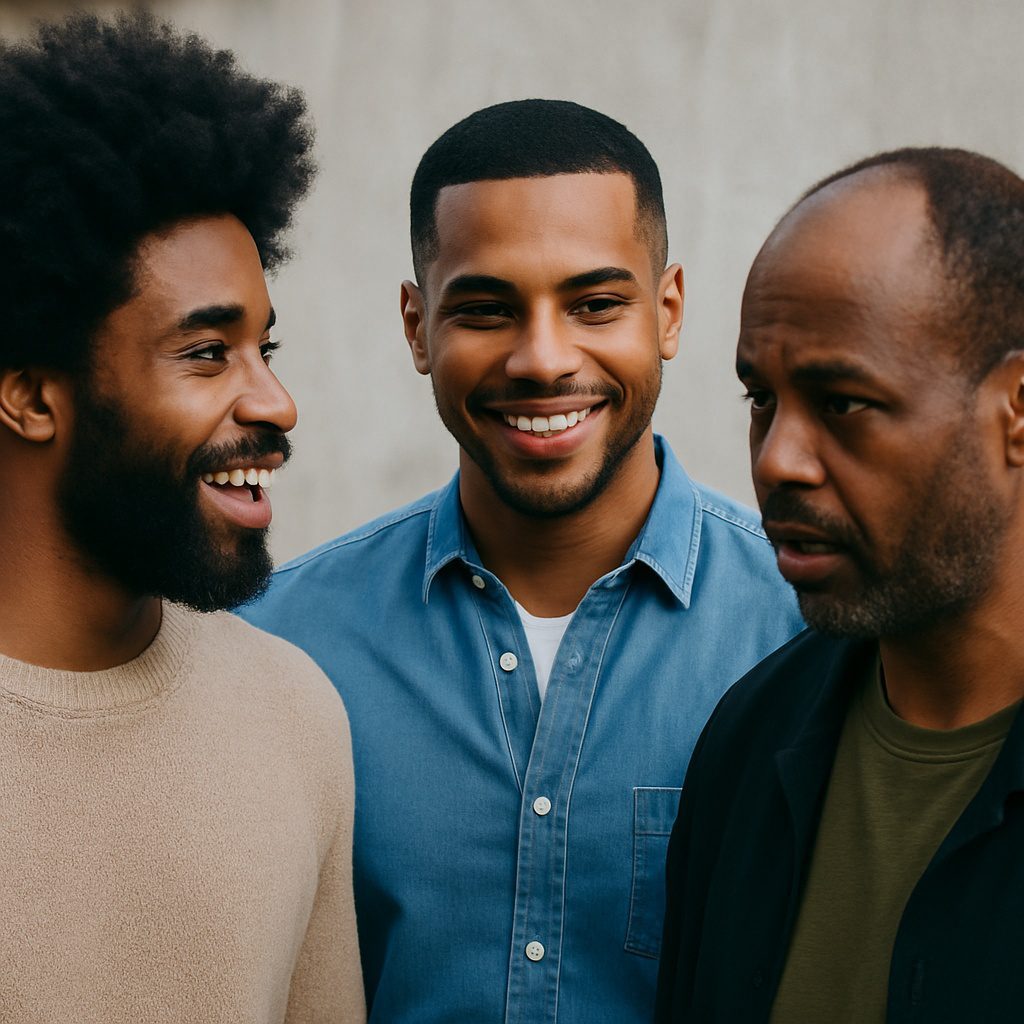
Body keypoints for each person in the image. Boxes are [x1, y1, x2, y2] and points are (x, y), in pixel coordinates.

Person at [241, 99, 802, 1023]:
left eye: (595, 304)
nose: (544, 359)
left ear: (667, 312)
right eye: (487, 309)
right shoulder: (281, 648)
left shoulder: (805, 640)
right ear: (418, 329)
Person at [0, 12, 364, 1022]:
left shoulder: (296, 713)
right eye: (207, 354)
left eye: (266, 350)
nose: (274, 403)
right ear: (33, 395)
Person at [656, 147, 1024, 1023]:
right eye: (760, 400)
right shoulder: (751, 742)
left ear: (1015, 412)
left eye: (843, 402)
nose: (777, 459)